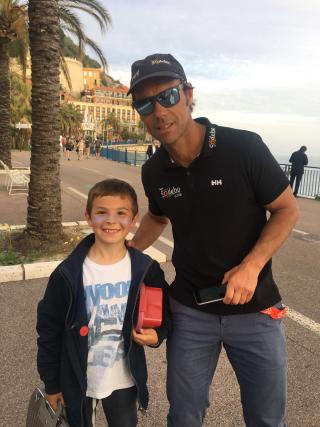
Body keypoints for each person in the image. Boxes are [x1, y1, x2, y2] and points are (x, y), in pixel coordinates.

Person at [127, 53, 299, 427]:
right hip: (190, 311)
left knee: (267, 418)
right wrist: (124, 254)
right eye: (144, 103)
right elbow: (157, 217)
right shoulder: (154, 170)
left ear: (189, 94)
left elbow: (287, 209)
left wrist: (252, 267)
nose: (158, 111)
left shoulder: (243, 148)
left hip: (256, 308)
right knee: (184, 416)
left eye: (168, 96)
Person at [36, 178, 171, 427]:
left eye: (121, 213)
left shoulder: (146, 269)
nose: (111, 221)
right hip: (77, 381)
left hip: (124, 380)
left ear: (133, 220)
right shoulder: (67, 274)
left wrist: (158, 335)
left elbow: (167, 311)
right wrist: (52, 384)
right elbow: (49, 331)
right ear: (88, 217)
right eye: (101, 213)